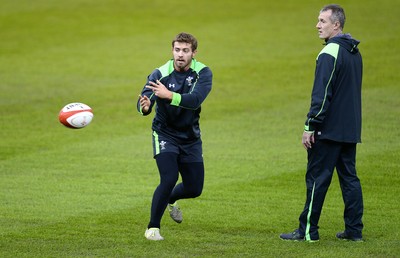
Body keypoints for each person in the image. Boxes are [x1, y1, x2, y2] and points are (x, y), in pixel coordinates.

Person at [280, 4, 364, 242]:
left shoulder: (330, 53)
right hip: (350, 129)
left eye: (322, 21)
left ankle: (308, 231)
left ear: (336, 25)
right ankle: (354, 231)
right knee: (350, 179)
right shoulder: (354, 52)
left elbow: (322, 94)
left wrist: (310, 126)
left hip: (328, 130)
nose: (317, 25)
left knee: (317, 179)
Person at [137, 32, 213, 241]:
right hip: (164, 133)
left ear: (194, 53)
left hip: (190, 137)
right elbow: (145, 99)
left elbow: (195, 100)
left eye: (185, 51)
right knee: (169, 178)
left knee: (194, 188)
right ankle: (153, 228)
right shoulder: (160, 73)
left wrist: (169, 95)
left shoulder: (203, 73)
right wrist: (145, 107)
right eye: (177, 50)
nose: (180, 55)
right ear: (172, 51)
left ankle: (169, 198)